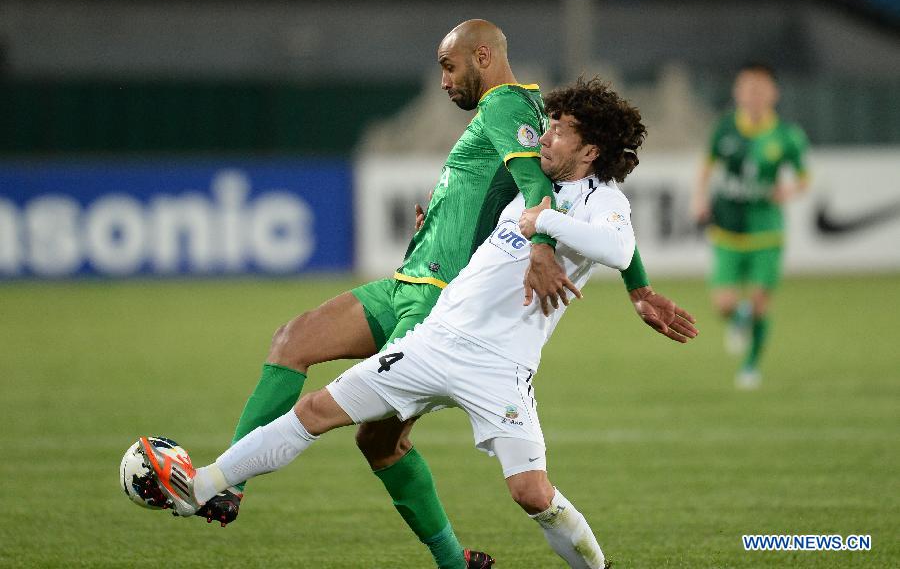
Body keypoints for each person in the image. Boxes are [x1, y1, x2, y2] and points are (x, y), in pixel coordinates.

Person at [139, 77, 697, 569]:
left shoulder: (603, 202)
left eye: (560, 129)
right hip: (433, 343)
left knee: (531, 493)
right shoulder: (533, 186)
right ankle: (200, 486)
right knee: (315, 410)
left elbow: (619, 246)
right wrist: (442, 228)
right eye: (548, 122)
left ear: (590, 149)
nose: (545, 135)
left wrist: (574, 242)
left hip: (501, 369)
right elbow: (484, 227)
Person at [691, 63, 809, 389]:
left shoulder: (786, 135)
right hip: (727, 229)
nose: (754, 96)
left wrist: (789, 189)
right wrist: (699, 196)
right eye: (747, 89)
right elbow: (707, 165)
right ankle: (739, 318)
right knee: (724, 304)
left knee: (759, 301)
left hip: (766, 230)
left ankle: (751, 366)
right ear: (737, 93)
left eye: (760, 89)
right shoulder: (725, 128)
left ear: (773, 93)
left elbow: (804, 178)